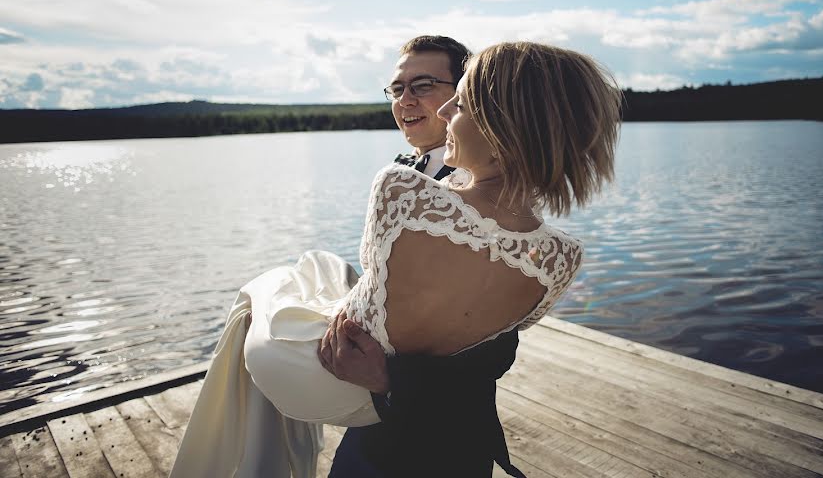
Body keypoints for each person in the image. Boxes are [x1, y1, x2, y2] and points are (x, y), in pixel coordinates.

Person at [168, 41, 621, 478]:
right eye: (397, 87)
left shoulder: (422, 193)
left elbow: (493, 350)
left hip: (430, 428)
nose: (409, 100)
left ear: (498, 115)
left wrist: (390, 379)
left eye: (426, 86)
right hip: (368, 390)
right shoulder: (414, 173)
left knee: (272, 290)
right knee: (316, 269)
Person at [387, 35, 470, 180]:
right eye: (397, 89)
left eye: (423, 85)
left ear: (463, 92)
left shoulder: (485, 179)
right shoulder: (394, 175)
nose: (405, 101)